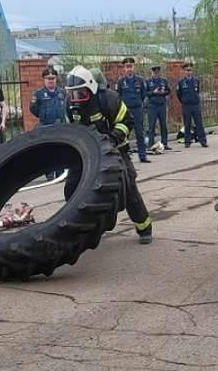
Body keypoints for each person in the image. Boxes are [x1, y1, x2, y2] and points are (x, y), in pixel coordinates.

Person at [64, 65, 153, 244]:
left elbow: (127, 121)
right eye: (72, 93)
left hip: (116, 149)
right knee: (72, 189)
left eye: (80, 92)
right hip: (85, 153)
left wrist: (112, 139)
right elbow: (69, 129)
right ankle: (83, 229)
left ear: (91, 87)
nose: (76, 97)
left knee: (128, 187)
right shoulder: (71, 105)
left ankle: (144, 228)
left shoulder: (109, 99)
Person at [29, 66, 67, 180]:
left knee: (60, 149)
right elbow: (33, 108)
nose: (51, 81)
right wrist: (42, 117)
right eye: (48, 79)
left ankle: (60, 173)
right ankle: (49, 173)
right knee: (48, 150)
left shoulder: (62, 93)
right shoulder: (38, 94)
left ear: (56, 80)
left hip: (60, 126)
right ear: (44, 80)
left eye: (53, 78)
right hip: (45, 126)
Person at [116, 57, 150, 163]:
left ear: (133, 68)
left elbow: (143, 94)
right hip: (126, 111)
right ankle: (124, 156)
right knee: (125, 134)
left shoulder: (139, 80)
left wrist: (139, 103)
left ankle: (142, 155)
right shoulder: (121, 82)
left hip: (138, 110)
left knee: (140, 133)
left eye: (130, 67)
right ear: (124, 69)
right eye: (127, 67)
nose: (129, 69)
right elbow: (118, 96)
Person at [176, 63, 208, 148]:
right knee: (187, 123)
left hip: (196, 105)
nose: (188, 72)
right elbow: (179, 94)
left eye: (190, 70)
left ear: (192, 71)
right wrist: (184, 101)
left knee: (199, 123)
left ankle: (203, 141)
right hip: (186, 106)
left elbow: (197, 92)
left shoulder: (196, 81)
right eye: (186, 70)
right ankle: (187, 141)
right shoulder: (181, 82)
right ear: (184, 71)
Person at [145, 65, 172, 151]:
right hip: (152, 105)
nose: (156, 74)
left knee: (163, 125)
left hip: (162, 105)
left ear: (160, 73)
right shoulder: (148, 82)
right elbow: (145, 93)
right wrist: (154, 92)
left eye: (158, 72)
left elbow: (169, 91)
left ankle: (165, 143)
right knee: (151, 126)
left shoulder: (163, 81)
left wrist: (163, 92)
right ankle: (150, 144)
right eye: (155, 73)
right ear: (152, 73)